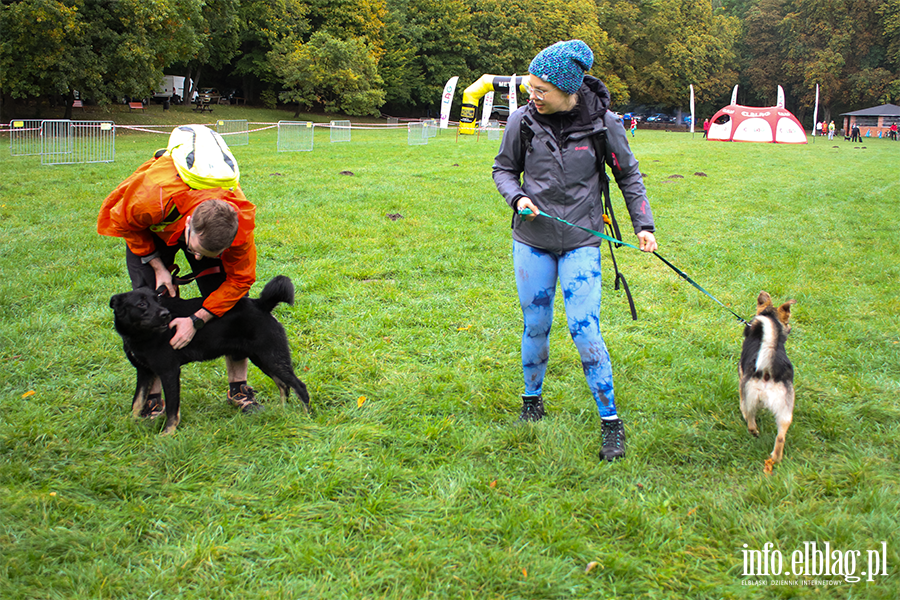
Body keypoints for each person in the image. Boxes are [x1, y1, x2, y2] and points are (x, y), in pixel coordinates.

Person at [492, 40, 657, 462]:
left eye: (540, 89)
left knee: (585, 330)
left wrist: (643, 225)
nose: (533, 95)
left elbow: (629, 175)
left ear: (568, 91)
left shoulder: (604, 125)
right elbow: (504, 170)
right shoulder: (521, 121)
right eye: (531, 87)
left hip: (582, 242)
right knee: (536, 324)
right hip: (531, 241)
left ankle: (611, 423)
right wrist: (517, 199)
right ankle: (532, 403)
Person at [98, 127, 261, 417]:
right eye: (195, 250)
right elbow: (125, 223)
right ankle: (154, 394)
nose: (196, 258)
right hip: (153, 230)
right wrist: (158, 266)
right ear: (188, 225)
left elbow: (240, 281)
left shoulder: (239, 229)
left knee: (236, 309)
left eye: (207, 256)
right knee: (149, 301)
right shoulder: (152, 195)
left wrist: (197, 320)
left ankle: (238, 387)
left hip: (194, 226)